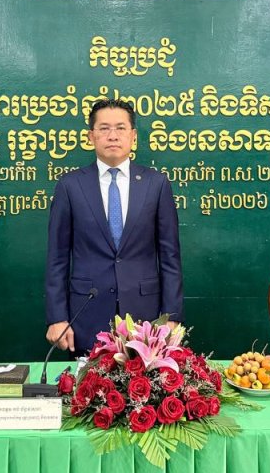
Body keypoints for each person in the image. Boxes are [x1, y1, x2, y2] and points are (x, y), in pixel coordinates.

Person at [45, 98, 183, 355]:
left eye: (120, 128)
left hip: (146, 316)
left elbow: (170, 256)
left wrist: (171, 316)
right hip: (86, 314)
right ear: (91, 136)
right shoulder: (70, 186)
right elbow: (57, 258)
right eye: (104, 128)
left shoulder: (156, 184)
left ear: (133, 136)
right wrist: (57, 317)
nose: (112, 136)